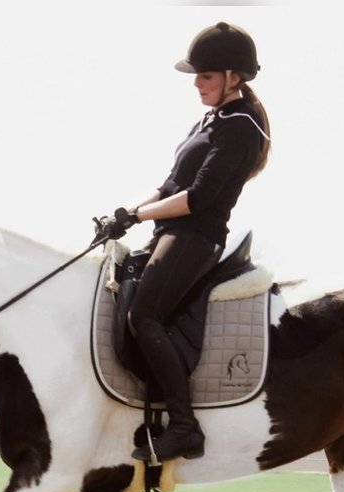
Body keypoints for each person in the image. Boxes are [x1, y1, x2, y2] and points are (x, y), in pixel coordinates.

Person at [95, 21, 271, 462]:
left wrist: (137, 216)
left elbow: (196, 199)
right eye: (197, 76)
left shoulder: (241, 127)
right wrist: (124, 212)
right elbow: (170, 184)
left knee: (143, 316)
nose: (196, 84)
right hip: (170, 231)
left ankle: (185, 427)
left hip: (197, 236)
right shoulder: (210, 120)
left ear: (235, 78)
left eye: (206, 76)